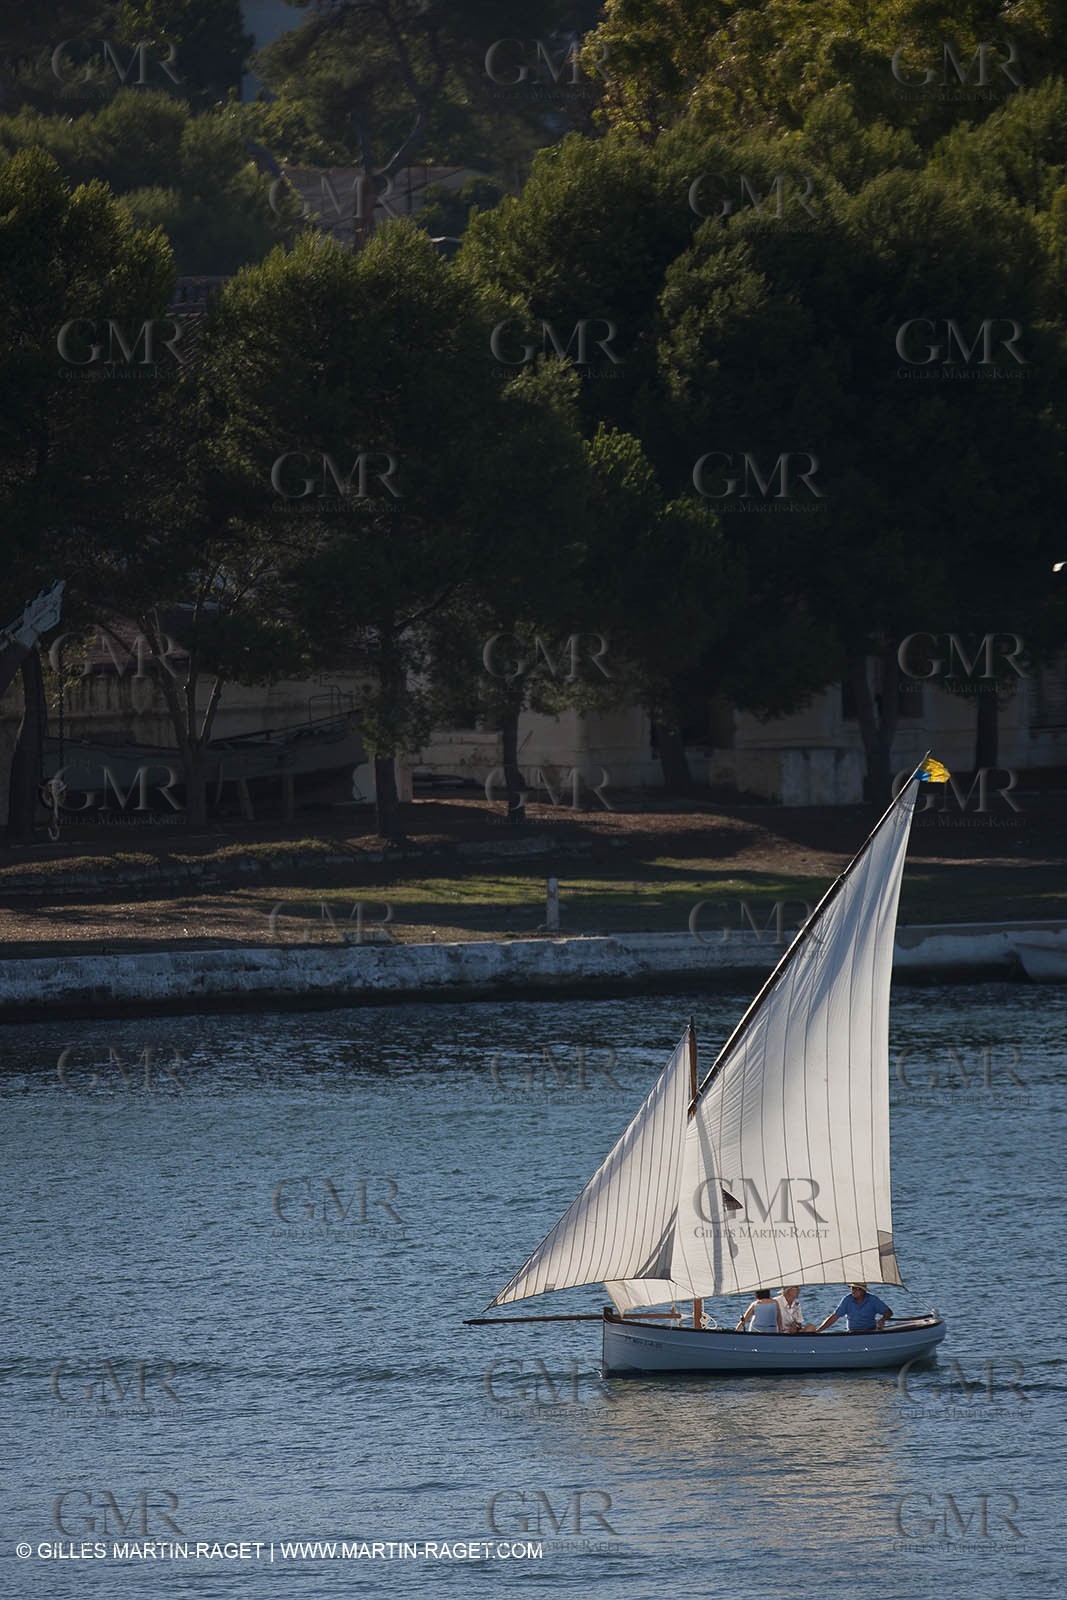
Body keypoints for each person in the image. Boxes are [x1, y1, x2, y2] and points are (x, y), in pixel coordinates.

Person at [816, 1282, 893, 1333]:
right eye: (852, 1288)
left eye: (857, 1289)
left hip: (870, 1331)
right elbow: (834, 1317)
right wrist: (818, 1331)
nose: (854, 1291)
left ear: (864, 1291)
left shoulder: (872, 1299)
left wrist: (883, 1319)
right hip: (852, 1333)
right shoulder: (847, 1300)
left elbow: (888, 1312)